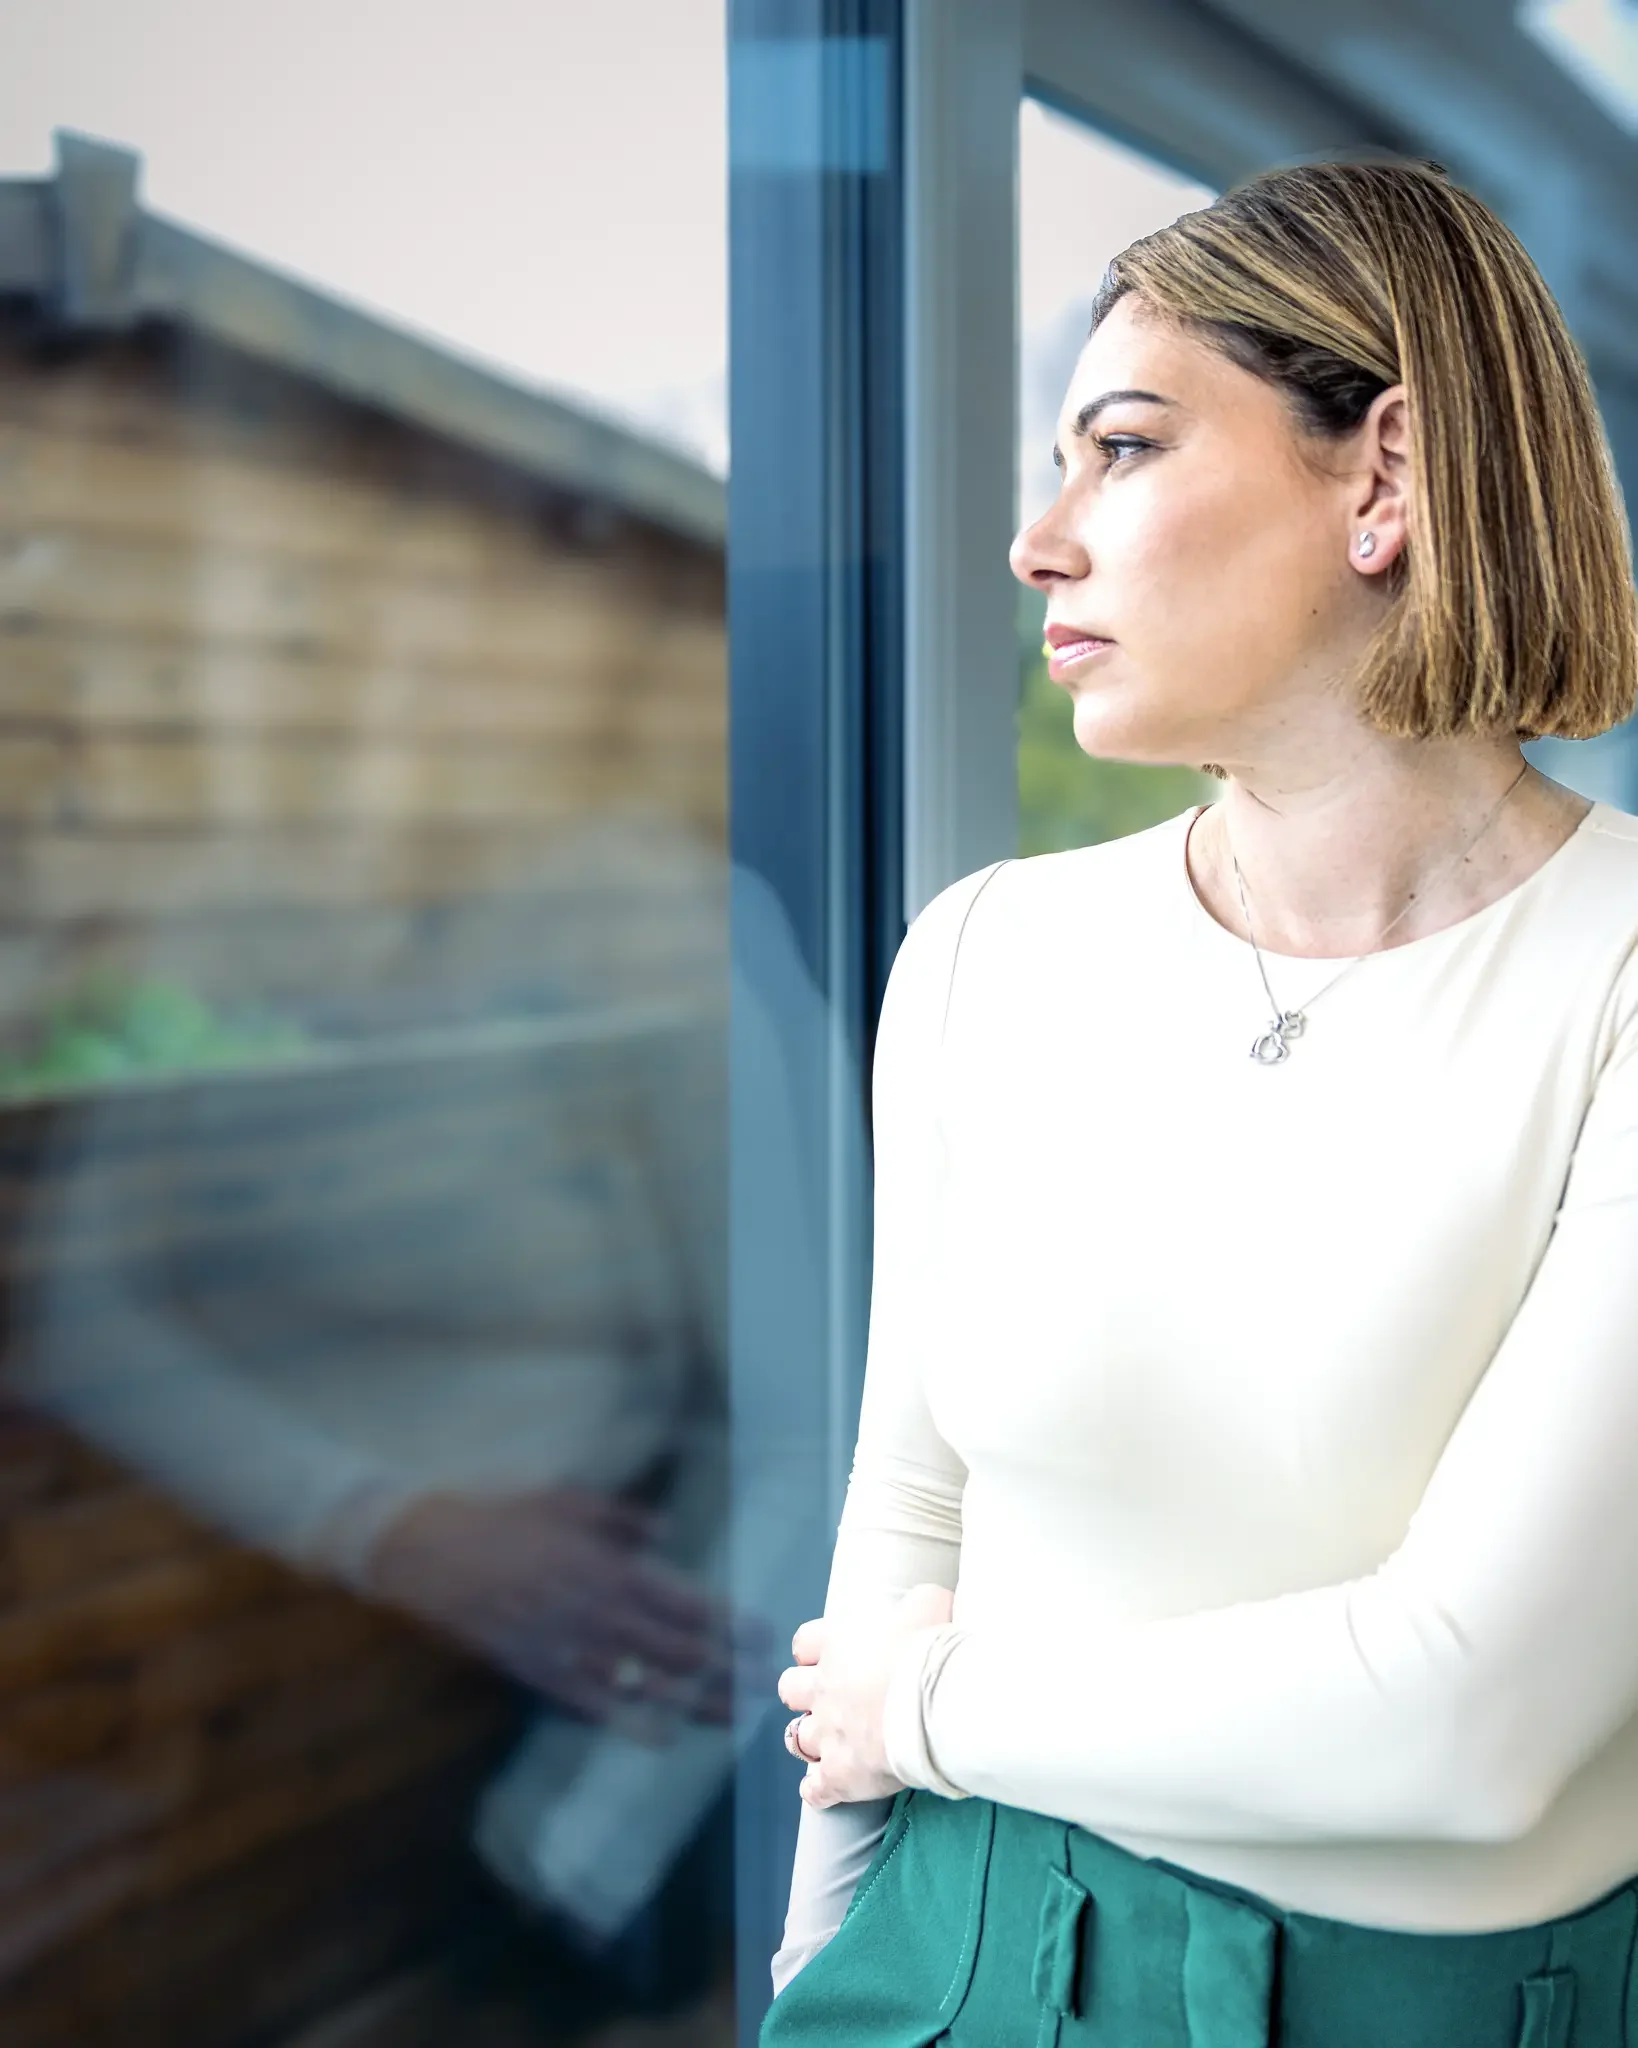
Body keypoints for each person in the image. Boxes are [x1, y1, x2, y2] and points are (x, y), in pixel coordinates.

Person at [762, 157, 1638, 2046]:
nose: (1041, 540)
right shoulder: (989, 953)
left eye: (1124, 447)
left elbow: (1468, 1722)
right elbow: (907, 1512)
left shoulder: (1620, 975)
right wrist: (805, 1983)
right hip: (944, 1956)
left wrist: (931, 1707)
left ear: (1382, 478)